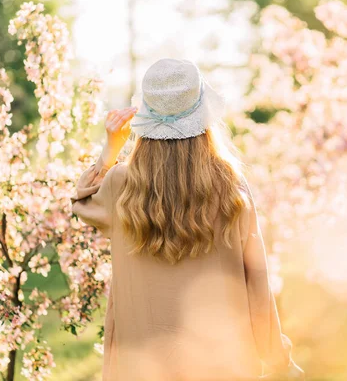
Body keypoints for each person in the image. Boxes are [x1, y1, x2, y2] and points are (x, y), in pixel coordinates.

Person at [71, 58, 304, 381]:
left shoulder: (120, 186)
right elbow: (256, 280)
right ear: (203, 116)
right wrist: (276, 357)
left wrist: (110, 151)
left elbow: (82, 203)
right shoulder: (231, 187)